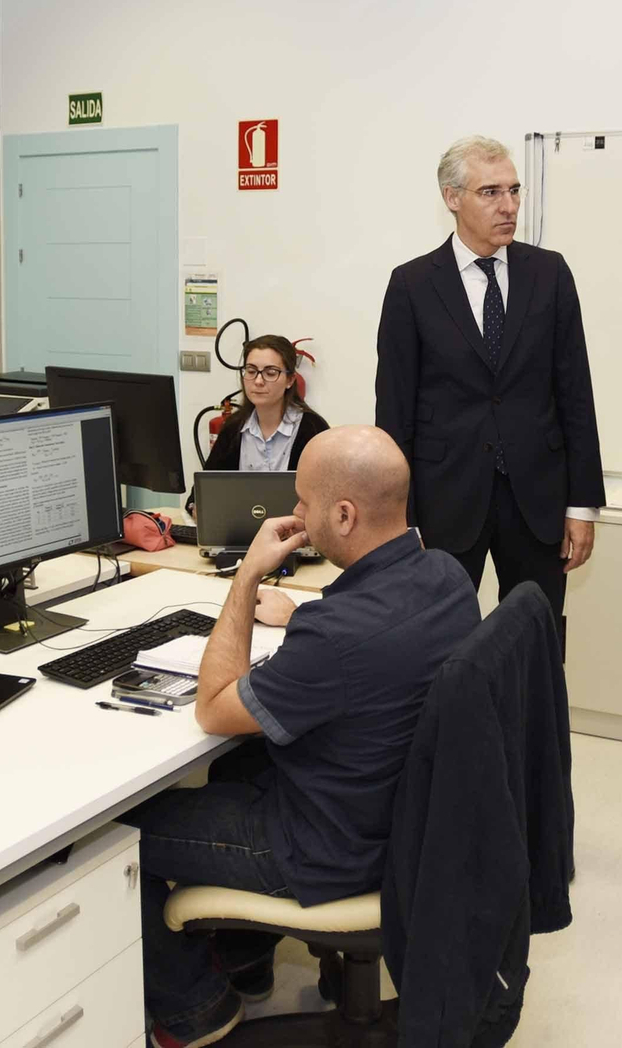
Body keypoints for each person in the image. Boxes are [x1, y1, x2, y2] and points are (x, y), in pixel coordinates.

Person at [123, 425, 480, 1047]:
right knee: (236, 769)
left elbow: (212, 707)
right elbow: (367, 652)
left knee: (123, 836)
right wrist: (302, 618)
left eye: (303, 502)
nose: (295, 514)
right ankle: (243, 960)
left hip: (326, 850)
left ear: (343, 515)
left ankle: (194, 1007)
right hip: (406, 825)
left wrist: (245, 579)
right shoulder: (447, 576)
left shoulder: (335, 635)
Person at [375, 135, 605, 622]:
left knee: (536, 641)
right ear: (452, 198)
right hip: (445, 499)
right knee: (433, 640)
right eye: (491, 192)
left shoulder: (550, 273)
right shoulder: (412, 285)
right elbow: (394, 412)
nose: (509, 206)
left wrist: (582, 505)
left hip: (538, 499)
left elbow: (575, 394)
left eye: (514, 190)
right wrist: (400, 519)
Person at [187, 334, 328, 514]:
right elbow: (201, 494)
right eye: (251, 371)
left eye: (270, 373)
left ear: (290, 380)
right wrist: (198, 509)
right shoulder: (233, 428)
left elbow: (328, 500)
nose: (258, 381)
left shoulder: (313, 430)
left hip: (297, 537)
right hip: (239, 534)